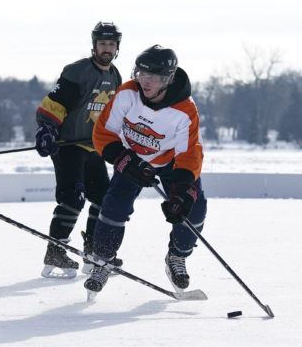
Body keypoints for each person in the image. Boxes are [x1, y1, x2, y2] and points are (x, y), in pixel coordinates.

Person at [84, 45, 207, 298]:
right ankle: (103, 260)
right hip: (132, 157)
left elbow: (189, 153)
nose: (145, 81)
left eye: (155, 77)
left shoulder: (185, 110)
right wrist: (124, 160)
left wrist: (182, 192)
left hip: (173, 161)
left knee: (193, 208)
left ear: (169, 79)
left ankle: (177, 256)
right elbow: (103, 133)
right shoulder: (128, 93)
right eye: (141, 73)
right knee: (114, 205)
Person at [35, 21, 123, 278]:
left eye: (111, 44)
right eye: (102, 43)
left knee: (105, 200)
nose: (106, 49)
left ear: (117, 47)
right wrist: (47, 129)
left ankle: (94, 251)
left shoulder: (115, 76)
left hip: (94, 148)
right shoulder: (78, 71)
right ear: (94, 45)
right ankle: (56, 251)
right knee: (73, 198)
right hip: (69, 147)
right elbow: (55, 104)